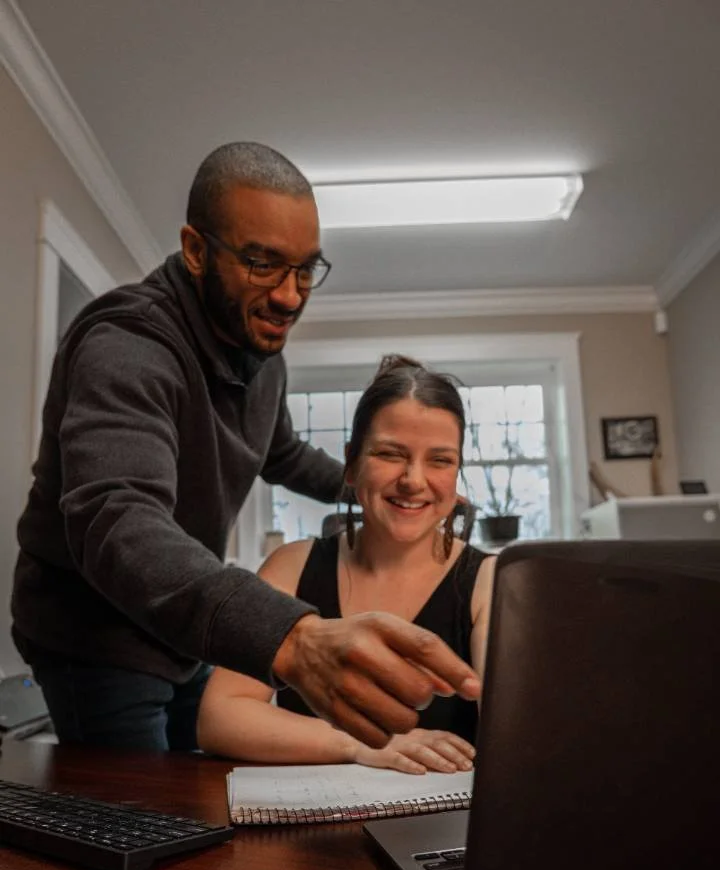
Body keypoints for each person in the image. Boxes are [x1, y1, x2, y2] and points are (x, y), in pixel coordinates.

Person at [11, 143, 481, 752]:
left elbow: (282, 454)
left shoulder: (261, 355)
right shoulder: (129, 344)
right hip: (99, 638)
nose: (290, 296)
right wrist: (293, 636)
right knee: (142, 803)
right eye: (263, 264)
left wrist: (378, 484)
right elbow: (118, 519)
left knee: (204, 782)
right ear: (196, 250)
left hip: (181, 630)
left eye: (306, 269)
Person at [198, 356, 496, 774]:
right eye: (390, 454)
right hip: (308, 811)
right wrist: (361, 745)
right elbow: (220, 718)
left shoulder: (489, 581)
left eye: (440, 460)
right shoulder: (290, 567)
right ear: (352, 465)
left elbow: (511, 727)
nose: (413, 480)